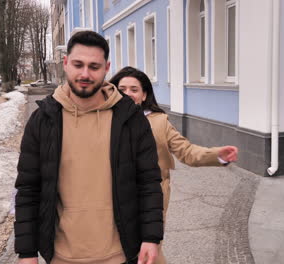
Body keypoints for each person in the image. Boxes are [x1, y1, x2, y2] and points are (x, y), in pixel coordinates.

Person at [14, 31, 163, 264]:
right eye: (78, 64)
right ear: (65, 63)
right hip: (62, 256)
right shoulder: (43, 120)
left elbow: (149, 182)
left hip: (120, 254)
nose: (85, 74)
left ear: (106, 68)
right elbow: (28, 189)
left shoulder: (130, 118)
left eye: (94, 66)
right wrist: (27, 252)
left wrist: (151, 238)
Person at [109, 67, 238, 263]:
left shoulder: (160, 122)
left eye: (134, 89)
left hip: (151, 198)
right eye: (122, 89)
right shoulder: (104, 120)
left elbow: (186, 151)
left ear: (144, 95)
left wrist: (216, 156)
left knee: (149, 250)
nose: (128, 94)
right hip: (115, 196)